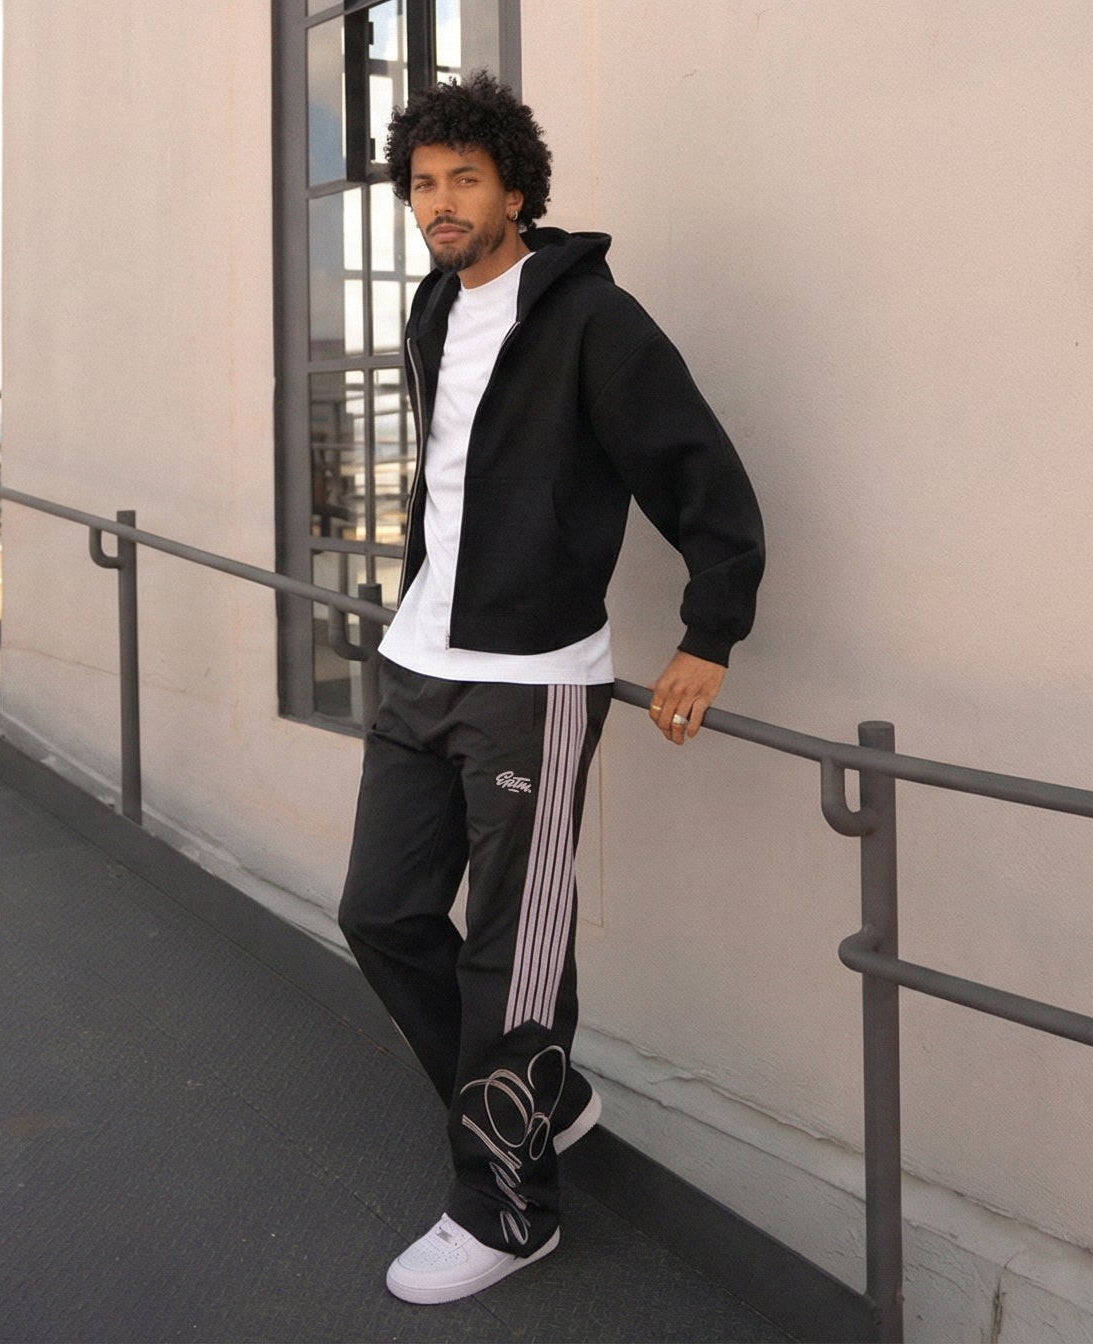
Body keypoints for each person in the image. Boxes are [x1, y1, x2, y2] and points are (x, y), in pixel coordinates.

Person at [334, 74, 766, 1306]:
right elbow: (449, 488)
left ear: (516, 191)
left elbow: (699, 470)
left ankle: (508, 1204)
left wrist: (709, 631)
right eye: (423, 184)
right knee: (380, 915)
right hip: (423, 661)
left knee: (511, 955)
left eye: (464, 180)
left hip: (533, 681)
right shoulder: (433, 309)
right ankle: (545, 1096)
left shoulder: (593, 321)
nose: (440, 203)